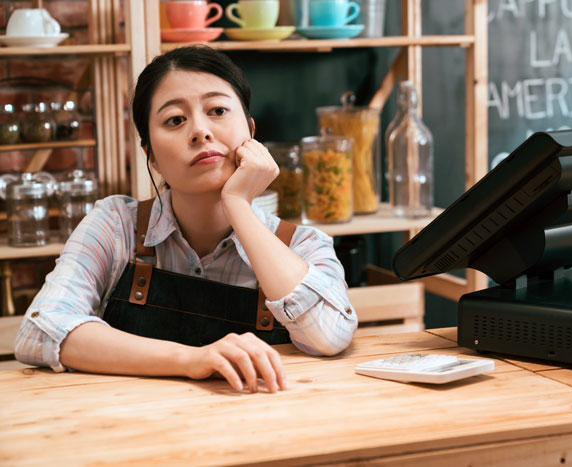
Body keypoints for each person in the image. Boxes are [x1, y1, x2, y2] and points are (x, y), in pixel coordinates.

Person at [14, 46, 358, 393]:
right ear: (152, 157)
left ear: (250, 133)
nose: (200, 131)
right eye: (175, 120)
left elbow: (330, 336)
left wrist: (238, 203)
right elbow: (40, 331)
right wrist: (193, 360)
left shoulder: (301, 245)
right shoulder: (116, 224)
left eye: (218, 110)